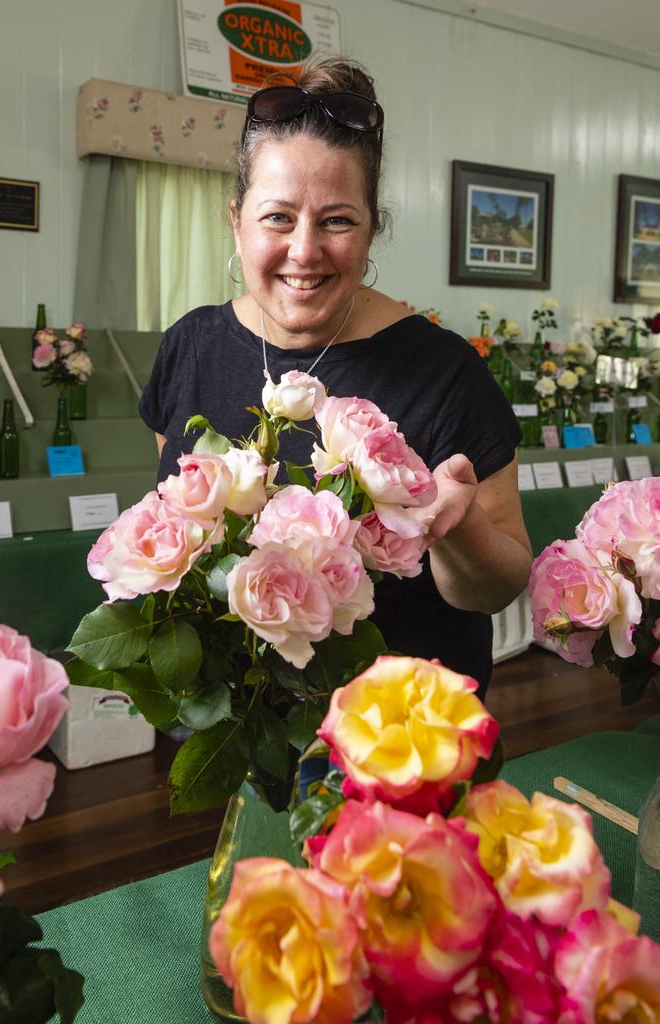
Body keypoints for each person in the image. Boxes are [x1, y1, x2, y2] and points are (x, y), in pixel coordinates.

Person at [139, 55, 532, 698]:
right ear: (235, 222)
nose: (304, 250)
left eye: (337, 220)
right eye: (277, 217)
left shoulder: (445, 373)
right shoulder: (190, 347)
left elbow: (498, 587)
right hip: (234, 730)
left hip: (402, 743)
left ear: (374, 228)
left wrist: (457, 529)